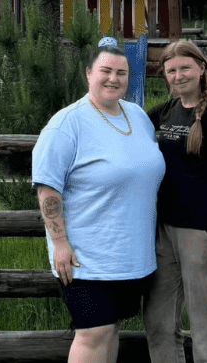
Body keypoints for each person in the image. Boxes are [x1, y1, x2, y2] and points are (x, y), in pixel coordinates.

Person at [31, 37, 166, 363]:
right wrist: (59, 243)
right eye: (105, 71)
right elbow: (47, 188)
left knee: (110, 328)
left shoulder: (137, 116)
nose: (113, 79)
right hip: (86, 258)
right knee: (93, 334)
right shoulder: (67, 124)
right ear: (88, 73)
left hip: (130, 255)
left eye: (121, 73)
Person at [144, 40, 207, 363]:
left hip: (202, 233)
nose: (178, 76)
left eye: (185, 68)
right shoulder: (164, 112)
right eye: (171, 70)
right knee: (157, 320)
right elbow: (125, 127)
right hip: (163, 232)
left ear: (201, 68)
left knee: (204, 324)